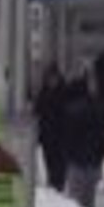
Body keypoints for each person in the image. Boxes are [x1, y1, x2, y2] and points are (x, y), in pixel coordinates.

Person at [65, 73, 104, 207]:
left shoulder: (72, 111)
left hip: (76, 161)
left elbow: (67, 137)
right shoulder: (103, 110)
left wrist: (69, 154)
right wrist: (101, 154)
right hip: (93, 161)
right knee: (89, 198)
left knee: (75, 200)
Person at [34, 63, 69, 192]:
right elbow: (37, 111)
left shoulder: (64, 92)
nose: (51, 80)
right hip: (47, 135)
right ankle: (53, 182)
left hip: (61, 135)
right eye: (49, 78)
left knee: (60, 163)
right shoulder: (43, 93)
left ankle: (58, 184)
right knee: (50, 161)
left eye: (54, 77)